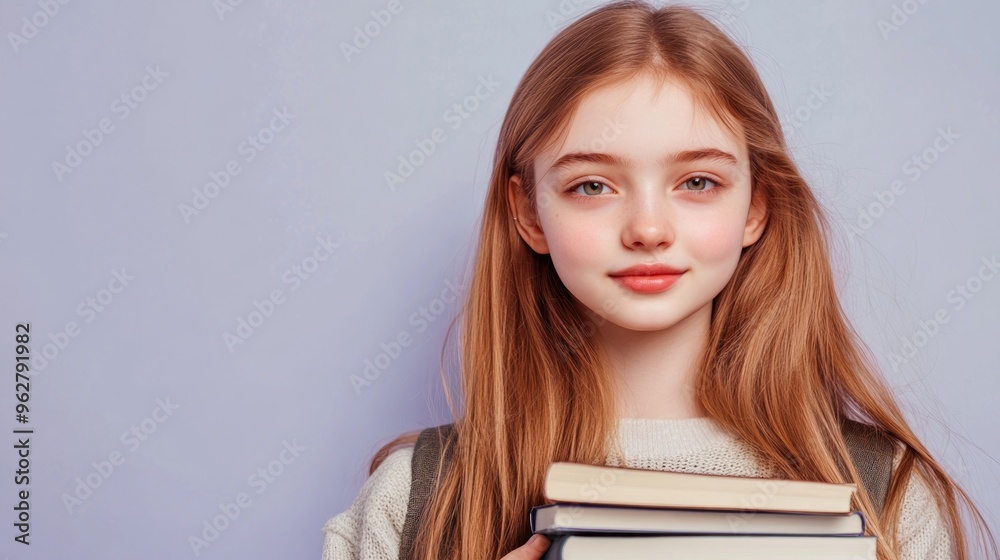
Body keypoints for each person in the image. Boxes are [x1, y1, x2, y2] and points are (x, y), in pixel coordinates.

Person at [322, 2, 997, 559]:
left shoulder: (891, 499)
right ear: (528, 212)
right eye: (592, 185)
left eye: (697, 182)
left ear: (755, 206)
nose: (647, 228)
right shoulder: (412, 499)